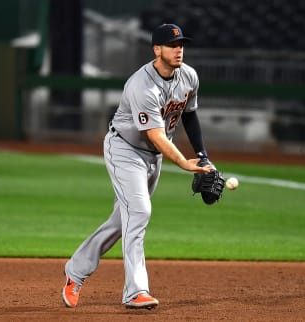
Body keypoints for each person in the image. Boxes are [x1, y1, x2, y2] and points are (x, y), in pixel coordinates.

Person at [62, 23, 215, 310]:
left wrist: (203, 155)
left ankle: (75, 271)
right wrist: (183, 162)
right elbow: (155, 135)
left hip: (153, 157)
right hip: (124, 150)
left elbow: (190, 116)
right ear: (157, 49)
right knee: (141, 211)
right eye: (172, 45)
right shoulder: (141, 84)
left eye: (181, 44)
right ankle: (136, 291)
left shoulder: (189, 76)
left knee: (122, 221)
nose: (179, 49)